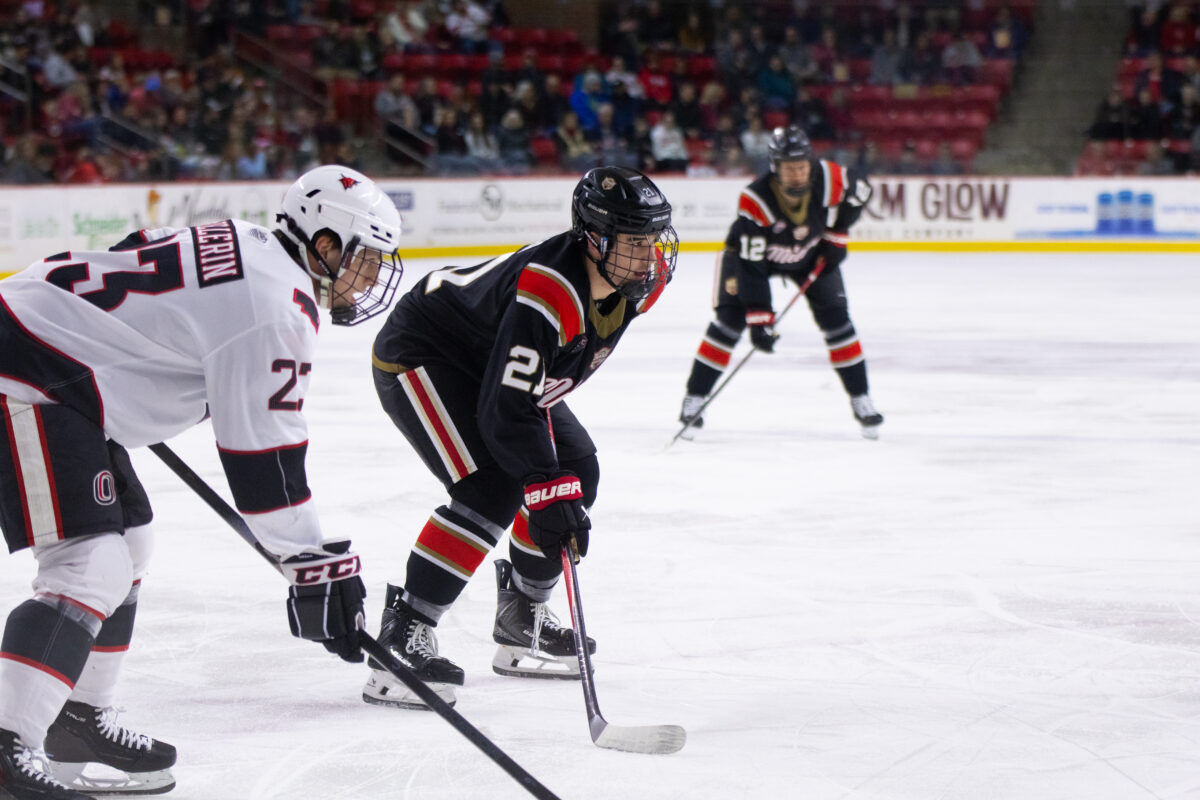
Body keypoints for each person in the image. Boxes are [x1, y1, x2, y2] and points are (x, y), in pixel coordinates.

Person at [0, 164, 403, 799]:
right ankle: (7, 744)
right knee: (87, 565)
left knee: (129, 544)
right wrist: (314, 564)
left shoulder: (249, 241)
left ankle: (76, 720)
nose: (374, 275)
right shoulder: (278, 308)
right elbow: (264, 467)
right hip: (30, 368)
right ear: (325, 246)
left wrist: (127, 360)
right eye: (366, 258)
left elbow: (135, 255)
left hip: (56, 358)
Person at [364, 166, 677, 708]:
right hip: (426, 351)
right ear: (594, 238)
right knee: (491, 487)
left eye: (652, 240)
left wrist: (552, 482)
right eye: (633, 242)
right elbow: (506, 410)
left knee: (575, 471)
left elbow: (524, 387)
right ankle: (403, 635)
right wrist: (540, 480)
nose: (648, 256)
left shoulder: (639, 286)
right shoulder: (550, 288)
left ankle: (522, 616)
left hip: (496, 363)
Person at [678, 125, 884, 439]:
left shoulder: (828, 177)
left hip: (808, 255)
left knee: (838, 323)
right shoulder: (755, 199)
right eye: (790, 169)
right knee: (729, 322)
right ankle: (695, 398)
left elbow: (862, 191)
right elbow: (751, 265)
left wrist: (838, 235)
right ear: (775, 167)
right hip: (748, 260)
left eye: (802, 167)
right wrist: (760, 317)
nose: (798, 175)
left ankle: (861, 398)